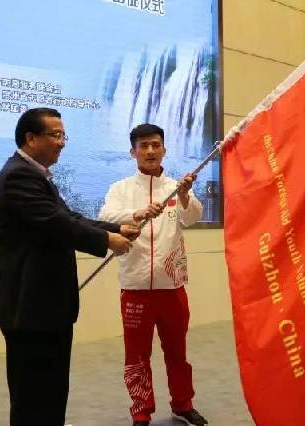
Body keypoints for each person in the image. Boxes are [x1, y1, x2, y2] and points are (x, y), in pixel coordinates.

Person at [0, 107, 139, 426]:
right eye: (54, 135)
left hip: (46, 307)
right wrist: (107, 240)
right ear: (31, 138)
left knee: (51, 389)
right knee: (33, 394)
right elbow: (55, 223)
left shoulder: (35, 174)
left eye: (63, 135)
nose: (61, 142)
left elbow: (67, 217)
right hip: (29, 308)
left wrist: (115, 228)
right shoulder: (18, 176)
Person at [99, 123, 208, 426]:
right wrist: (135, 213)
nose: (150, 151)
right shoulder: (120, 189)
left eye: (155, 145)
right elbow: (105, 217)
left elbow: (192, 217)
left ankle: (183, 405)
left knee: (177, 352)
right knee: (136, 356)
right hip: (135, 288)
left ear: (164, 149)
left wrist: (184, 196)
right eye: (143, 146)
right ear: (132, 151)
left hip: (172, 288)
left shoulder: (176, 186)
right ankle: (141, 411)